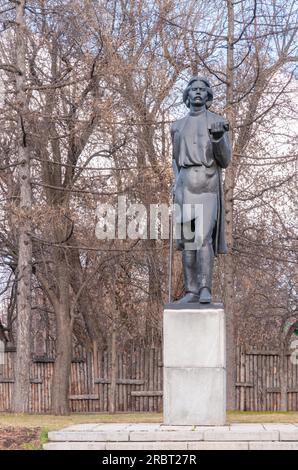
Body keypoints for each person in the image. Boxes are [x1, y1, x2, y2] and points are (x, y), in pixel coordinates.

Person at [171, 76, 231, 304]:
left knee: (203, 238)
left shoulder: (218, 122)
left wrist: (218, 138)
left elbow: (225, 160)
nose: (197, 92)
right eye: (193, 89)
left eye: (202, 90)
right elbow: (175, 160)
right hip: (185, 186)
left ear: (208, 96)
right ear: (187, 95)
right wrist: (175, 183)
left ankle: (205, 287)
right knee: (188, 241)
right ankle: (191, 291)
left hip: (207, 186)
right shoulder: (177, 126)